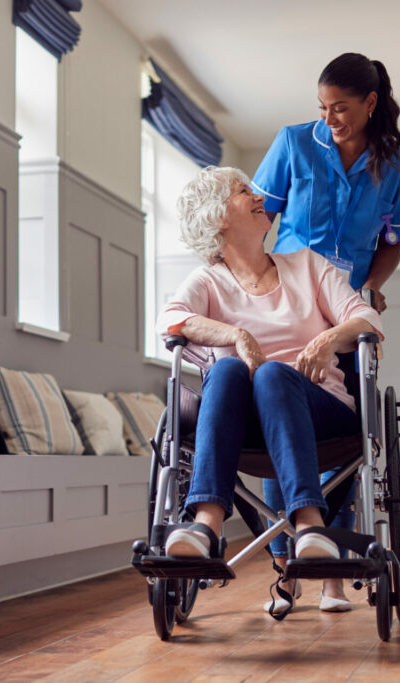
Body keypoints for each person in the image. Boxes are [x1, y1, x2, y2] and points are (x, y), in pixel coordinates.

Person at [156, 166, 385, 617]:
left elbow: (368, 320)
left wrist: (326, 340)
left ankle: (309, 524)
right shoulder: (207, 281)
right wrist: (235, 336)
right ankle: (206, 524)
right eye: (245, 192)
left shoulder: (308, 265)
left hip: (321, 410)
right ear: (219, 218)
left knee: (272, 375)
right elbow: (169, 321)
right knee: (225, 374)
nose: (260, 196)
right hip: (245, 427)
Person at [250, 52, 400, 612]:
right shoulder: (294, 144)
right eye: (323, 109)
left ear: (370, 103)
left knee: (345, 439)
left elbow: (394, 239)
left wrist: (370, 285)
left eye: (341, 108)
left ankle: (332, 577)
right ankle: (284, 570)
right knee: (283, 428)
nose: (330, 120)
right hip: (291, 308)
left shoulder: (398, 165)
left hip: (345, 316)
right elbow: (258, 218)